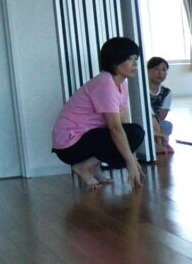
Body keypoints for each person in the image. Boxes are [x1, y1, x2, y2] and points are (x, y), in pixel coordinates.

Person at [52, 37, 145, 190]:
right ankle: (84, 167)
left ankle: (94, 168)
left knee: (133, 132)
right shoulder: (105, 83)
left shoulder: (121, 84)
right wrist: (129, 161)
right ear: (114, 62)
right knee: (134, 133)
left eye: (136, 58)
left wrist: (133, 159)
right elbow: (115, 128)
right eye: (129, 59)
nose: (135, 64)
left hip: (85, 139)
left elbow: (124, 123)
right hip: (70, 146)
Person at [147, 56, 174, 154]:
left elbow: (161, 117)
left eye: (164, 70)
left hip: (156, 124)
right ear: (147, 71)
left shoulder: (166, 92)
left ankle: (158, 143)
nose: (160, 73)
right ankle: (158, 144)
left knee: (167, 125)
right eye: (156, 69)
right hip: (142, 122)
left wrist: (156, 128)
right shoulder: (142, 89)